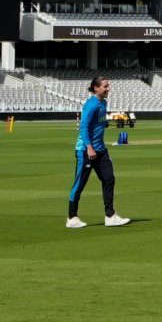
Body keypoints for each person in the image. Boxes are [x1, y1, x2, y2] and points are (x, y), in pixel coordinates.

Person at [67, 76, 130, 229]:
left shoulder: (103, 103)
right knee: (79, 184)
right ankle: (72, 218)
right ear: (96, 88)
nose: (108, 89)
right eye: (105, 86)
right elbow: (83, 128)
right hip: (86, 151)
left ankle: (110, 216)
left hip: (100, 149)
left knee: (109, 179)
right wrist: (89, 148)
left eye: (108, 86)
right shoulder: (91, 105)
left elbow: (98, 125)